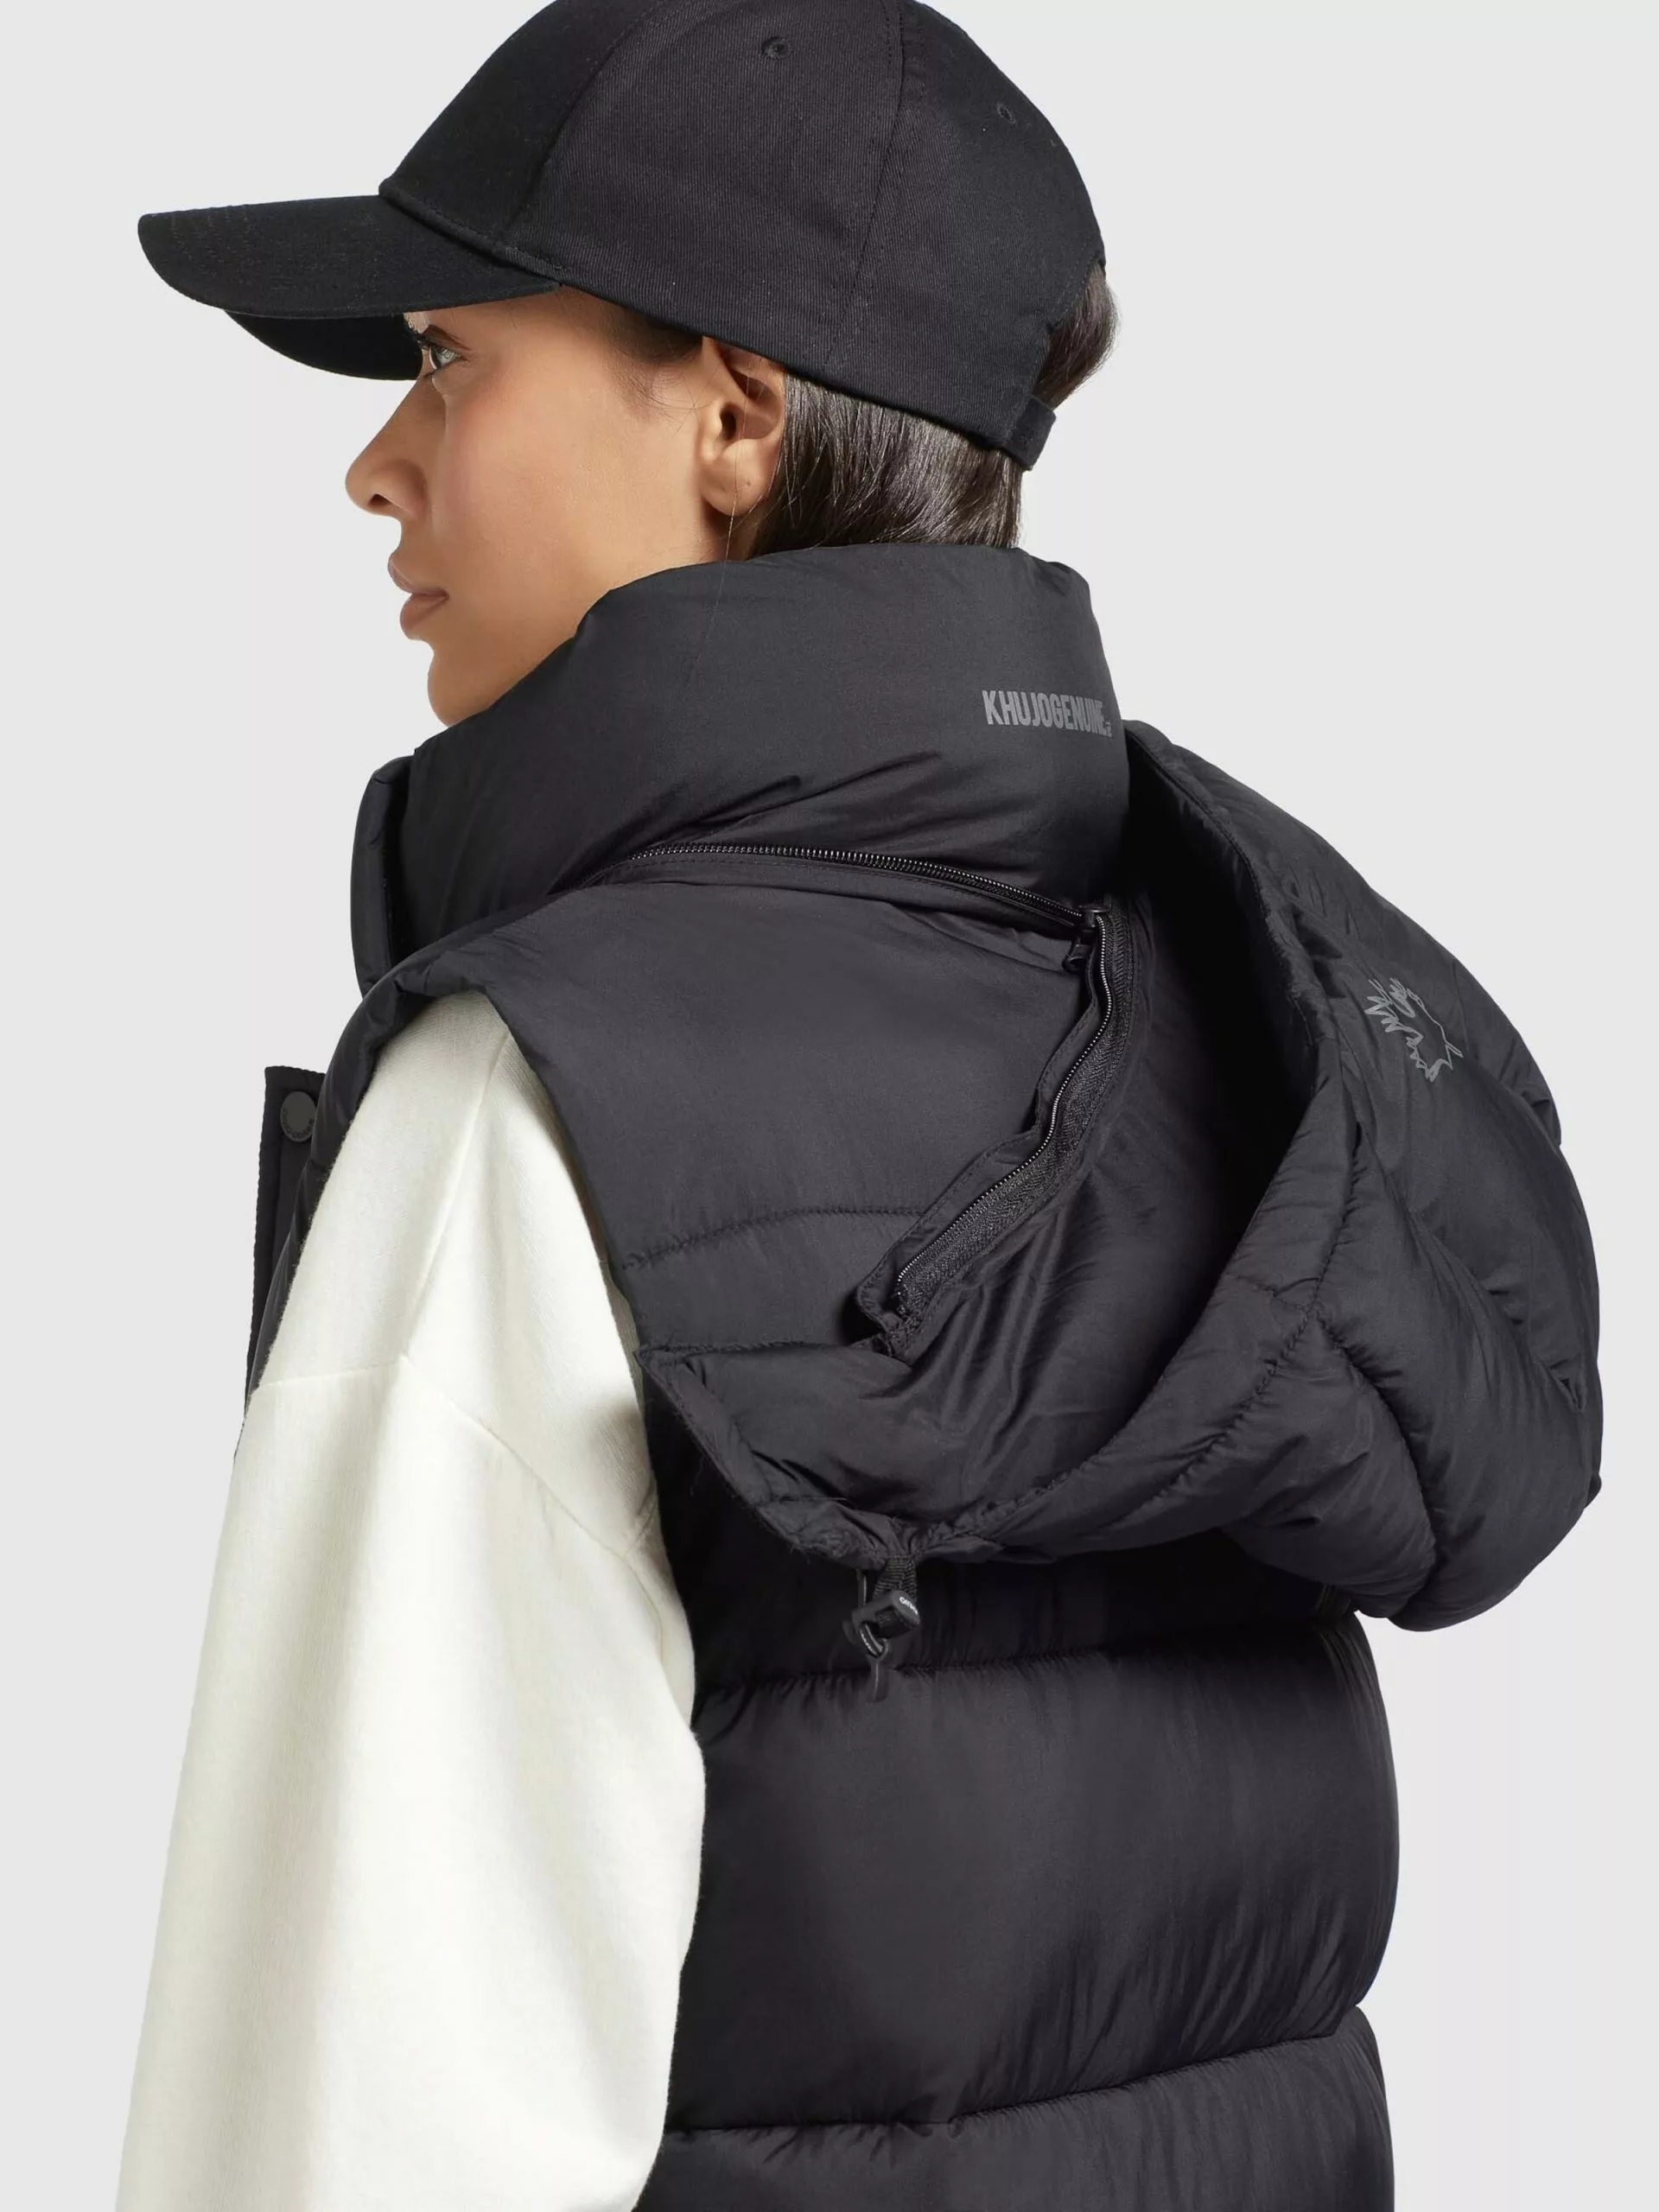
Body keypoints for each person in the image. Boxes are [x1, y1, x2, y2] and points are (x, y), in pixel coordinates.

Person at [118, 3, 1603, 2208]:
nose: (378, 464)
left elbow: (350, 2126)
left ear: (733, 417)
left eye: (446, 358)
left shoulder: (531, 1103)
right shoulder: (1263, 1042)